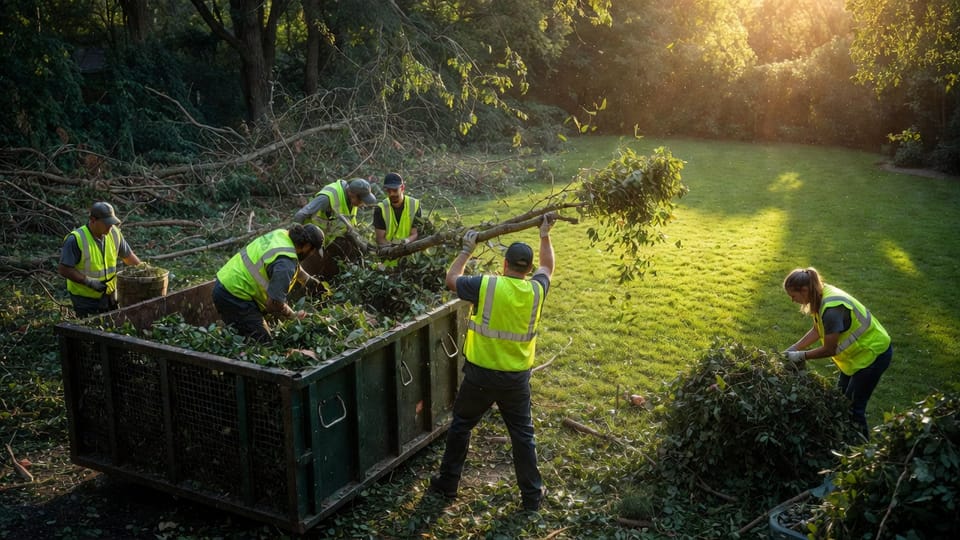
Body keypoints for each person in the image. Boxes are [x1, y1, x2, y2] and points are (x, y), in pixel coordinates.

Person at [429, 215, 555, 512]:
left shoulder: (486, 285)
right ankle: (532, 497)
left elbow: (450, 280)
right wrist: (545, 234)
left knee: (461, 426)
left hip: (480, 377)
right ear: (528, 268)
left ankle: (448, 484)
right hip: (515, 379)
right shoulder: (537, 290)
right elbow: (548, 267)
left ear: (505, 264)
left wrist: (466, 250)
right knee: (523, 435)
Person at [782, 267, 893, 437]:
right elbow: (818, 330)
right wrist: (794, 348)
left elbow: (829, 349)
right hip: (856, 358)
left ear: (804, 290)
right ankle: (842, 440)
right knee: (839, 400)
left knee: (853, 409)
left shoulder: (832, 309)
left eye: (793, 296)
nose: (792, 300)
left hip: (873, 354)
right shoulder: (820, 294)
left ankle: (863, 452)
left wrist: (801, 356)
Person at [212, 224, 325, 342]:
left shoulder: (282, 235)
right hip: (234, 296)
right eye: (313, 251)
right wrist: (293, 315)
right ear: (307, 246)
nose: (312, 254)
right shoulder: (286, 266)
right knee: (264, 342)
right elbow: (273, 304)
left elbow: (285, 261)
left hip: (226, 281)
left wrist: (307, 280)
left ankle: (233, 324)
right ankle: (233, 327)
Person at [58, 201, 142, 318]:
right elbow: (64, 269)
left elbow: (128, 256)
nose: (110, 227)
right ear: (93, 220)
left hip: (110, 295)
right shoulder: (76, 239)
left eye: (112, 223)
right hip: (85, 299)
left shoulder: (114, 233)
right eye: (107, 223)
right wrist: (88, 281)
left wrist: (145, 269)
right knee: (89, 331)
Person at [293, 178, 377, 279]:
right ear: (351, 193)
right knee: (299, 276)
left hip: (325, 244)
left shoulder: (351, 201)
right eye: (361, 200)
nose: (362, 204)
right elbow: (300, 215)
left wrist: (365, 248)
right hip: (308, 244)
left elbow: (349, 229)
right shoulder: (327, 198)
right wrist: (296, 242)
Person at [373, 172, 422, 267]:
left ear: (402, 188)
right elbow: (380, 238)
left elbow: (415, 233)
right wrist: (393, 249)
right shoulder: (381, 208)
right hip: (387, 253)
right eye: (388, 191)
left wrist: (406, 243)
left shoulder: (414, 205)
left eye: (395, 190)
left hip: (409, 251)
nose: (391, 194)